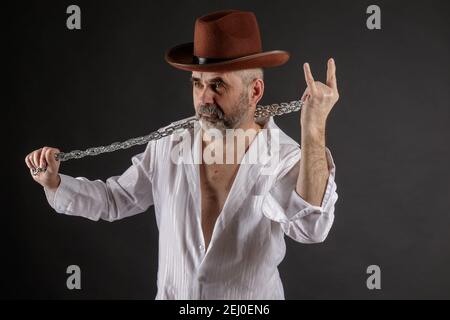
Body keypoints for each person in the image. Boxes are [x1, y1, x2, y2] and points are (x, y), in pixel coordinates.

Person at [25, 9, 340, 299]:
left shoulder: (281, 155)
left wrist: (313, 127)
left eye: (218, 86)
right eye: (197, 83)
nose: (203, 98)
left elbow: (310, 227)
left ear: (254, 91)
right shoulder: (170, 143)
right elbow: (114, 199)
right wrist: (55, 184)